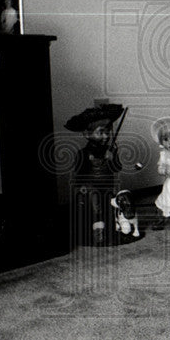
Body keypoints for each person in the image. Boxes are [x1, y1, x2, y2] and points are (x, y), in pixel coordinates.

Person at [65, 103, 125, 246]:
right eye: (101, 132)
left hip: (108, 187)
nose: (105, 136)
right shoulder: (83, 153)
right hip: (92, 189)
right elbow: (79, 174)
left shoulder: (111, 151)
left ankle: (113, 230)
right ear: (87, 134)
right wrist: (81, 187)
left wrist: (112, 159)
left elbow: (117, 168)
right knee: (96, 207)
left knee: (112, 207)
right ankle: (98, 232)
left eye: (107, 132)